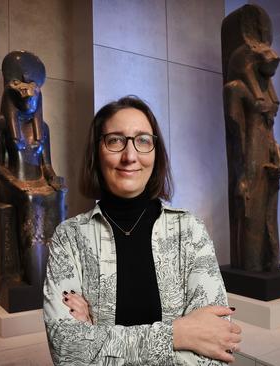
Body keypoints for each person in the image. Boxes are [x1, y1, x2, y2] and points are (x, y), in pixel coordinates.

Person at [43, 96, 241, 365]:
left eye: (143, 140)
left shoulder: (190, 230)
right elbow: (68, 351)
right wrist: (178, 334)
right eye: (115, 140)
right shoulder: (70, 237)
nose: (130, 156)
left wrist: (98, 337)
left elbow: (215, 350)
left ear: (156, 152)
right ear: (96, 151)